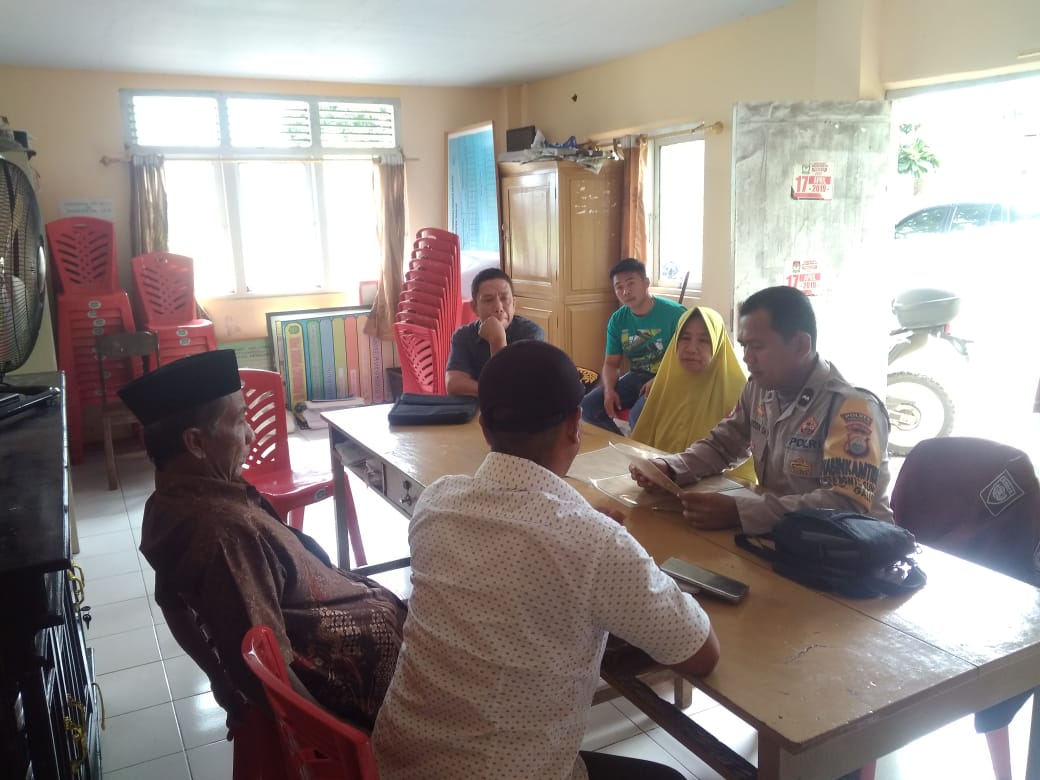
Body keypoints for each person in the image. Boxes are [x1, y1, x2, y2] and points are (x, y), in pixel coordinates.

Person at [372, 340, 720, 780]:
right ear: (576, 425)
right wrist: (610, 546)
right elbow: (700, 653)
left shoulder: (436, 503)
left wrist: (586, 528)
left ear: (484, 427)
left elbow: (512, 563)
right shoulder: (594, 543)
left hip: (395, 764)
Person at [118, 349, 407, 730]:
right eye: (240, 421)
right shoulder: (226, 535)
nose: (251, 435)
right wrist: (332, 739)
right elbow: (268, 673)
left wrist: (218, 679)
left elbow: (171, 604)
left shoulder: (169, 502)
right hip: (371, 688)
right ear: (196, 443)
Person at [631, 285, 893, 535]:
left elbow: (845, 506)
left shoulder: (852, 408)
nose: (747, 357)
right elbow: (723, 445)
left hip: (853, 551)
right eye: (744, 345)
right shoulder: (759, 389)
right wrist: (671, 468)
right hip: (784, 537)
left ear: (801, 346)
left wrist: (740, 512)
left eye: (756, 347)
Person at [631, 306, 757, 485]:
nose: (691, 348)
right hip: (660, 481)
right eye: (684, 338)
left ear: (717, 343)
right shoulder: (665, 381)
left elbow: (738, 464)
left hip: (715, 490)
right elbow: (643, 443)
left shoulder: (741, 391)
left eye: (704, 340)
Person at [582, 258, 686, 434]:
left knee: (639, 415)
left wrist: (659, 379)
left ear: (646, 283)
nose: (625, 291)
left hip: (670, 377)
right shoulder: (617, 320)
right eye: (619, 287)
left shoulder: (676, 314)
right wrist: (608, 390)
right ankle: (620, 443)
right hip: (636, 376)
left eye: (631, 283)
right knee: (587, 406)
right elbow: (611, 364)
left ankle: (641, 448)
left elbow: (685, 362)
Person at [445, 267, 545, 396]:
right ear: (475, 307)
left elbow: (517, 390)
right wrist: (495, 391)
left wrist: (498, 341)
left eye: (504, 298)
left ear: (514, 304)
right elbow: (453, 384)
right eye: (488, 300)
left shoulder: (531, 333)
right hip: (476, 406)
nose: (498, 307)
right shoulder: (463, 335)